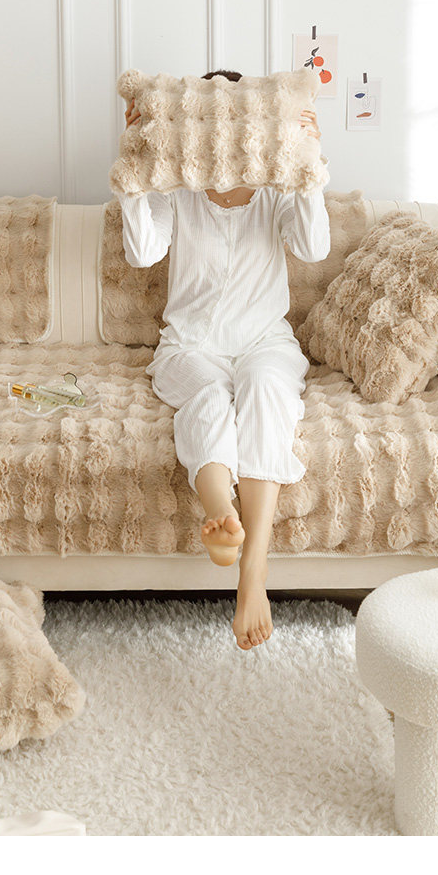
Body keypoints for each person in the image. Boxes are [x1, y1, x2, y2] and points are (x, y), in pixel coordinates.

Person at [113, 69, 330, 650]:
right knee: (208, 395)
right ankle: (220, 514)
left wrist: (308, 160)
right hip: (191, 343)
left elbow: (312, 247)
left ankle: (252, 570)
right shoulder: (179, 189)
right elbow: (143, 253)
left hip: (264, 340)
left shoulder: (276, 186)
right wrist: (134, 168)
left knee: (265, 391)